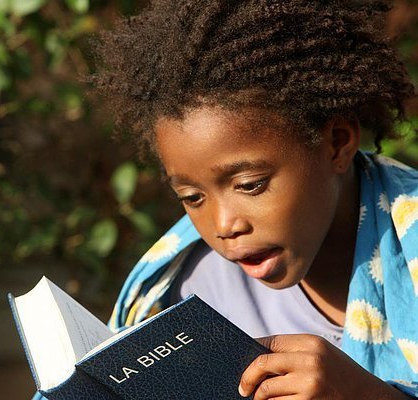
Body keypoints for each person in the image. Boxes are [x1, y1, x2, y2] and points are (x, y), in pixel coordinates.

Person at [88, 0, 418, 399]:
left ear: (336, 143)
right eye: (192, 197)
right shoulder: (186, 291)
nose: (224, 225)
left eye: (250, 184)